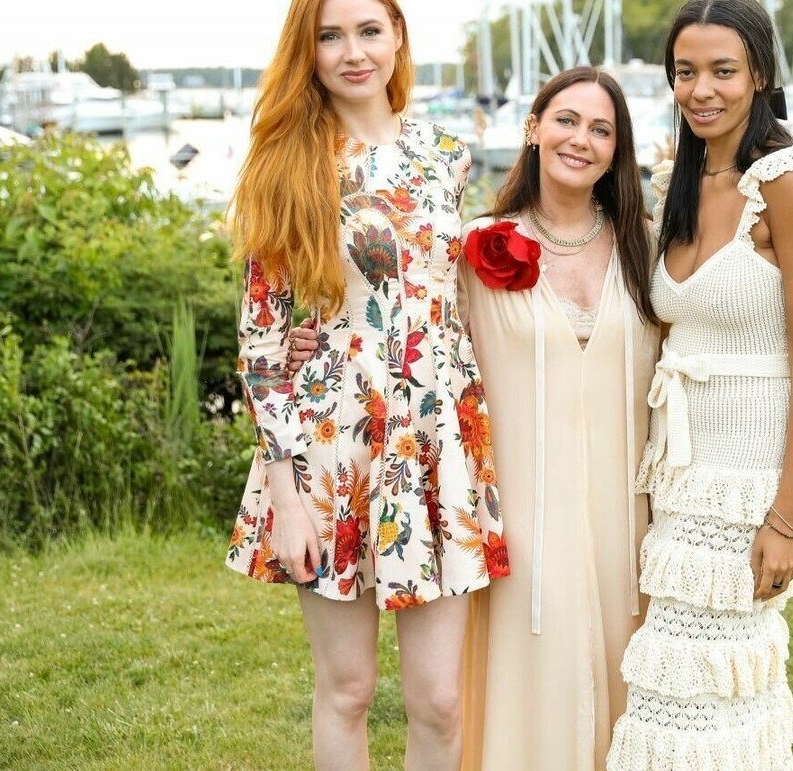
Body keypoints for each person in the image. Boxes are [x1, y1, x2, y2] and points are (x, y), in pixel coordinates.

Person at [291, 65, 660, 770]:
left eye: (602, 129)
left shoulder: (645, 246)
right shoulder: (476, 247)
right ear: (533, 128)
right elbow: (403, 305)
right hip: (519, 501)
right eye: (566, 120)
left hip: (623, 509)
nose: (581, 139)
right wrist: (312, 335)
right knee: (502, 676)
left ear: (618, 150)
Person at [224, 1, 509, 769]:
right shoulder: (289, 163)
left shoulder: (446, 154)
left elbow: (450, 295)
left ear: (398, 36)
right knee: (347, 689)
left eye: (369, 30)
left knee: (439, 700)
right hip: (330, 447)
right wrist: (285, 496)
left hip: (436, 442)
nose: (353, 52)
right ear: (308, 51)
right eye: (331, 36)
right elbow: (262, 342)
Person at [605, 1, 793, 769]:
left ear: (761, 74)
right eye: (686, 72)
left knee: (709, 685)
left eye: (722, 71)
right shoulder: (682, 180)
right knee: (680, 685)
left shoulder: (789, 181)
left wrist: (784, 517)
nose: (701, 89)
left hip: (745, 484)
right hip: (677, 472)